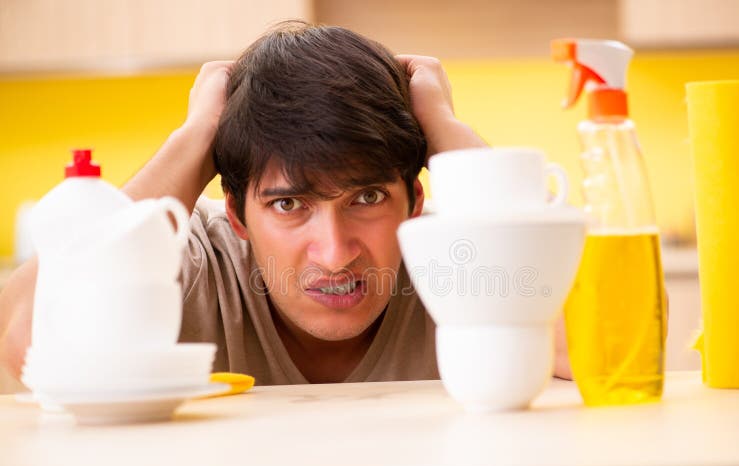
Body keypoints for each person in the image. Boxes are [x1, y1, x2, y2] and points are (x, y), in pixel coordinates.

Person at [0, 20, 572, 385]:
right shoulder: (188, 262)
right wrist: (195, 139)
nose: (335, 253)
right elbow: (20, 341)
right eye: (289, 204)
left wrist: (443, 127)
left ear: (415, 201)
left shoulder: (464, 259)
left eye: (367, 196)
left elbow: (606, 342)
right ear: (236, 213)